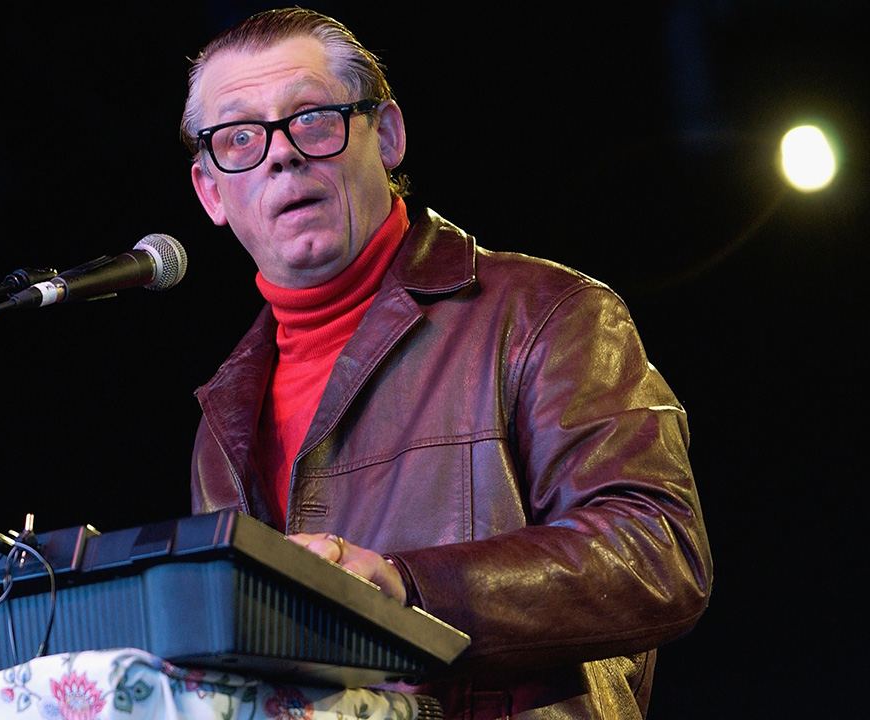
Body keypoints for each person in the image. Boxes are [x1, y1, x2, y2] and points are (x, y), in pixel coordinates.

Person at [180, 8, 712, 719]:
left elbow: (657, 554)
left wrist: (405, 589)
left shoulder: (544, 312)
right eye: (240, 136)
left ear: (389, 135)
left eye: (312, 118)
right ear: (210, 191)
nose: (281, 153)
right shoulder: (223, 418)